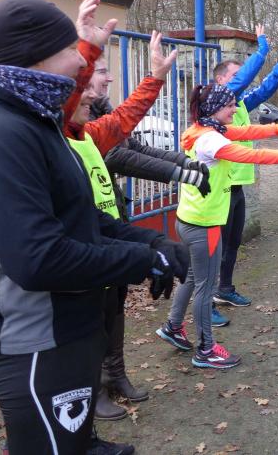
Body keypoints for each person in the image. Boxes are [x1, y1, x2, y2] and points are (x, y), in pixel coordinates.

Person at [0, 0, 186, 455]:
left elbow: (80, 215)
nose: (81, 61)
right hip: (33, 342)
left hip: (66, 328)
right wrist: (142, 260)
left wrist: (153, 242)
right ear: (37, 57)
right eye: (70, 50)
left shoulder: (39, 122)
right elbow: (38, 259)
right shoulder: (1, 134)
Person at [156, 83, 278, 369]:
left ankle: (173, 327)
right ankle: (206, 350)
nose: (235, 109)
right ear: (215, 108)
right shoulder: (211, 141)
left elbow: (247, 132)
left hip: (188, 218)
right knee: (205, 287)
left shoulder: (204, 130)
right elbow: (253, 155)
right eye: (229, 106)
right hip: (205, 225)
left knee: (193, 277)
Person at [66, 30, 191, 422]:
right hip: (86, 243)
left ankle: (115, 374)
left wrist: (155, 78)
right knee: (91, 321)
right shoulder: (57, 135)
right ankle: (94, 389)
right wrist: (179, 171)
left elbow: (124, 128)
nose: (106, 79)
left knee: (114, 310)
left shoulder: (89, 128)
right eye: (98, 71)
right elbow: (124, 154)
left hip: (110, 227)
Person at [209, 26, 278, 327]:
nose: (241, 79)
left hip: (237, 185)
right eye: (235, 75)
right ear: (221, 81)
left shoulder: (239, 104)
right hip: (219, 187)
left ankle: (225, 289)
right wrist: (262, 49)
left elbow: (266, 88)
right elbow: (246, 78)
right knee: (213, 249)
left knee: (233, 243)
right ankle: (205, 302)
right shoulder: (215, 102)